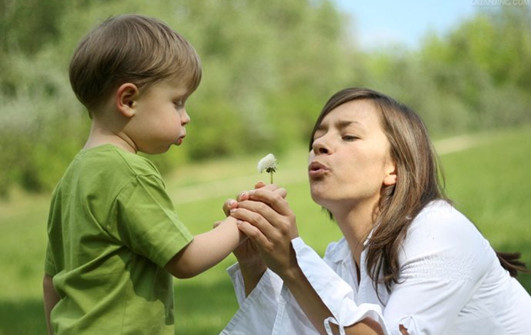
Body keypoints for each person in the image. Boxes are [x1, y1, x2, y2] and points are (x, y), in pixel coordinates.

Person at [221, 87, 531, 335]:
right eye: (317, 138)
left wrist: (292, 265)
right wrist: (255, 264)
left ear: (393, 167)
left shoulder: (441, 234)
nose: (320, 145)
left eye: (349, 136)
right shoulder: (340, 258)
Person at [42, 14, 244, 335]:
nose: (186, 117)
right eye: (177, 102)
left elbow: (52, 278)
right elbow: (185, 260)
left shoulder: (71, 178)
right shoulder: (129, 172)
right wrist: (242, 223)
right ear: (128, 100)